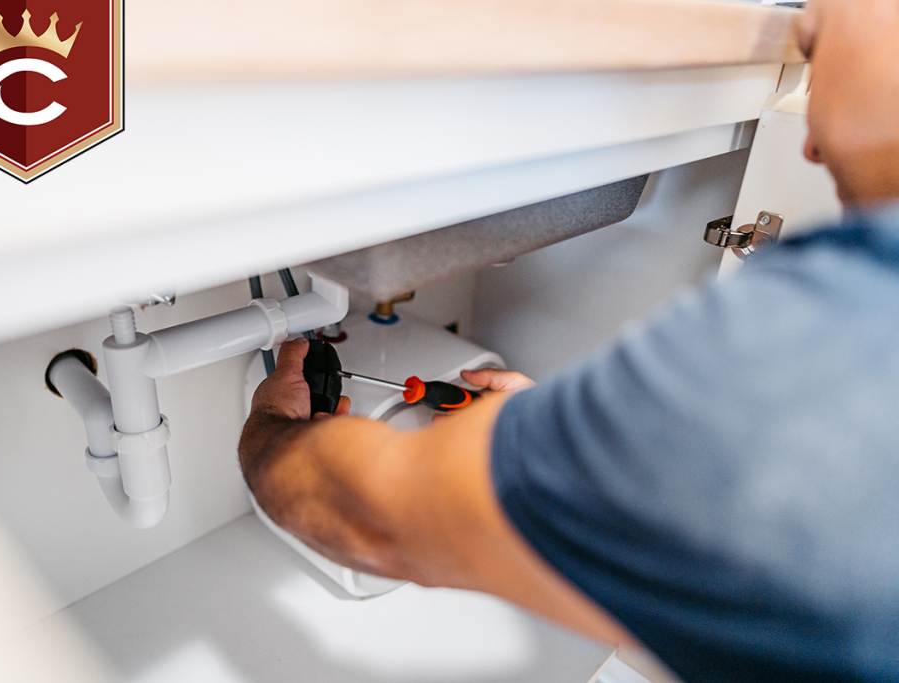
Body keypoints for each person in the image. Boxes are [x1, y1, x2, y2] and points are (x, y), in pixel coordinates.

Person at [238, 1, 899, 680]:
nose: (810, 144)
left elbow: (374, 516)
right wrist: (564, 446)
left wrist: (266, 430)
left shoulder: (793, 351)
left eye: (814, 45)